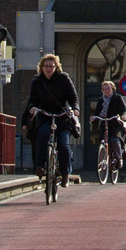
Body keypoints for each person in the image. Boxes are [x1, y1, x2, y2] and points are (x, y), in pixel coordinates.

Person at [26, 54, 78, 185]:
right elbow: (32, 100)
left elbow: (73, 97)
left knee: (63, 144)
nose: (48, 69)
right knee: (42, 135)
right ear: (41, 67)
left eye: (51, 66)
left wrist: (75, 108)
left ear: (56, 67)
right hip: (45, 115)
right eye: (46, 66)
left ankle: (65, 173)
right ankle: (40, 167)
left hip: (62, 116)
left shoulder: (64, 79)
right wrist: (32, 108)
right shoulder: (37, 81)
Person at [92, 79, 126, 170]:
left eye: (108, 89)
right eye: (105, 89)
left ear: (112, 89)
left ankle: (119, 158)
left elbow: (124, 110)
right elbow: (97, 112)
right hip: (104, 123)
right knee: (104, 141)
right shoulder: (101, 100)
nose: (107, 91)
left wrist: (123, 117)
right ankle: (104, 158)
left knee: (114, 139)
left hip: (115, 124)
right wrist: (94, 118)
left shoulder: (118, 98)